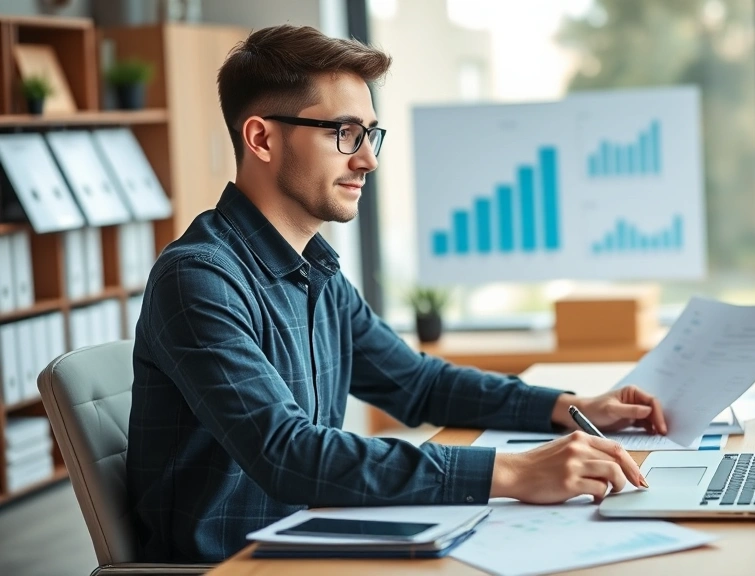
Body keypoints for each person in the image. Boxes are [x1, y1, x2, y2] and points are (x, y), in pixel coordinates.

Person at [126, 24, 668, 563]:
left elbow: (415, 384)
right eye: (344, 133)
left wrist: (569, 407)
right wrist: (512, 472)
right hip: (235, 564)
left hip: (314, 536)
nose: (367, 160)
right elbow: (284, 453)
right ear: (262, 138)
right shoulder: (199, 278)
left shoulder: (317, 272)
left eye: (370, 134)